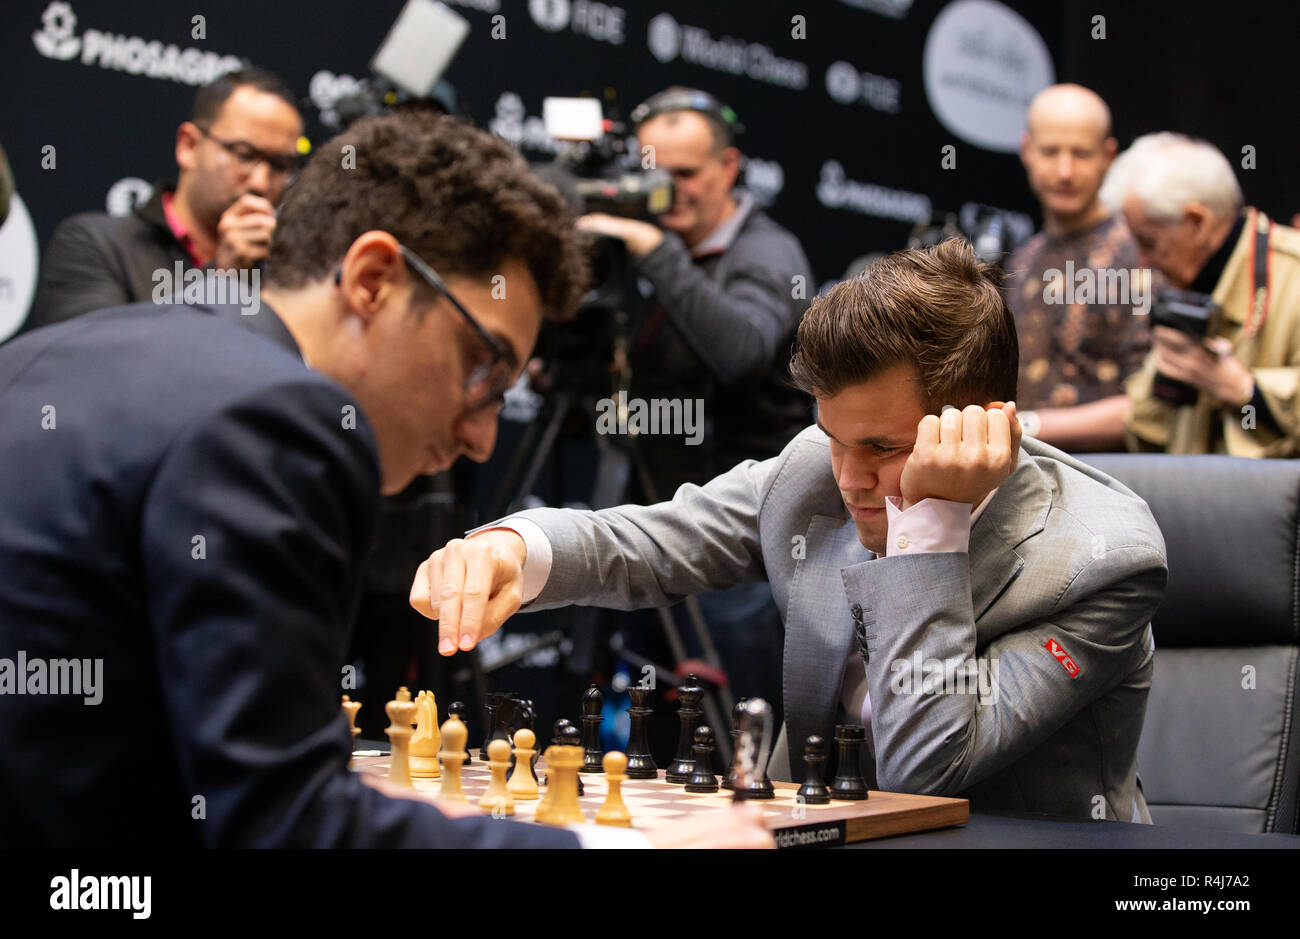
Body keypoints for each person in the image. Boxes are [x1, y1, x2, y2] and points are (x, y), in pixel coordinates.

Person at [0, 109, 772, 849]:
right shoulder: (279, 418)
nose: (481, 440)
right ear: (371, 278)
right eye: (485, 367)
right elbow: (285, 829)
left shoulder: (60, 354)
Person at [414, 239, 1168, 822]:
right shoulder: (817, 472)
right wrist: (511, 547)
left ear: (986, 429)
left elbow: (924, 768)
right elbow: (645, 543)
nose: (846, 478)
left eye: (881, 448)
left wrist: (928, 521)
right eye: (834, 438)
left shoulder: (1103, 560)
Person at [573, 86, 813, 718]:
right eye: (655, 173)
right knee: (660, 731)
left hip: (740, 541)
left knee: (742, 739)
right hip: (662, 524)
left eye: (687, 173)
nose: (670, 190)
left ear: (729, 168)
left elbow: (741, 352)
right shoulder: (651, 248)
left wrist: (658, 256)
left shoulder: (765, 251)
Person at [22, 67, 302, 332]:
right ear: (188, 146)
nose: (260, 182)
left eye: (280, 165)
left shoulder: (288, 277)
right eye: (244, 155)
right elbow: (93, 367)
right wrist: (223, 282)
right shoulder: (95, 245)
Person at [1105, 133, 1300, 456]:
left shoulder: (1292, 273)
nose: (1143, 261)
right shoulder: (1191, 284)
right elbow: (1142, 425)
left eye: (1149, 242)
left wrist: (1240, 388)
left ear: (1196, 222)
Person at [1003, 84, 1150, 452]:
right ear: (1027, 151)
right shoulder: (1022, 260)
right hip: (1024, 479)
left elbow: (1154, 409)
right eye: (1051, 152)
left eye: (1081, 154)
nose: (1064, 171)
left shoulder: (1141, 252)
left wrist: (1028, 425)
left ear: (1108, 155)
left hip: (1113, 482)